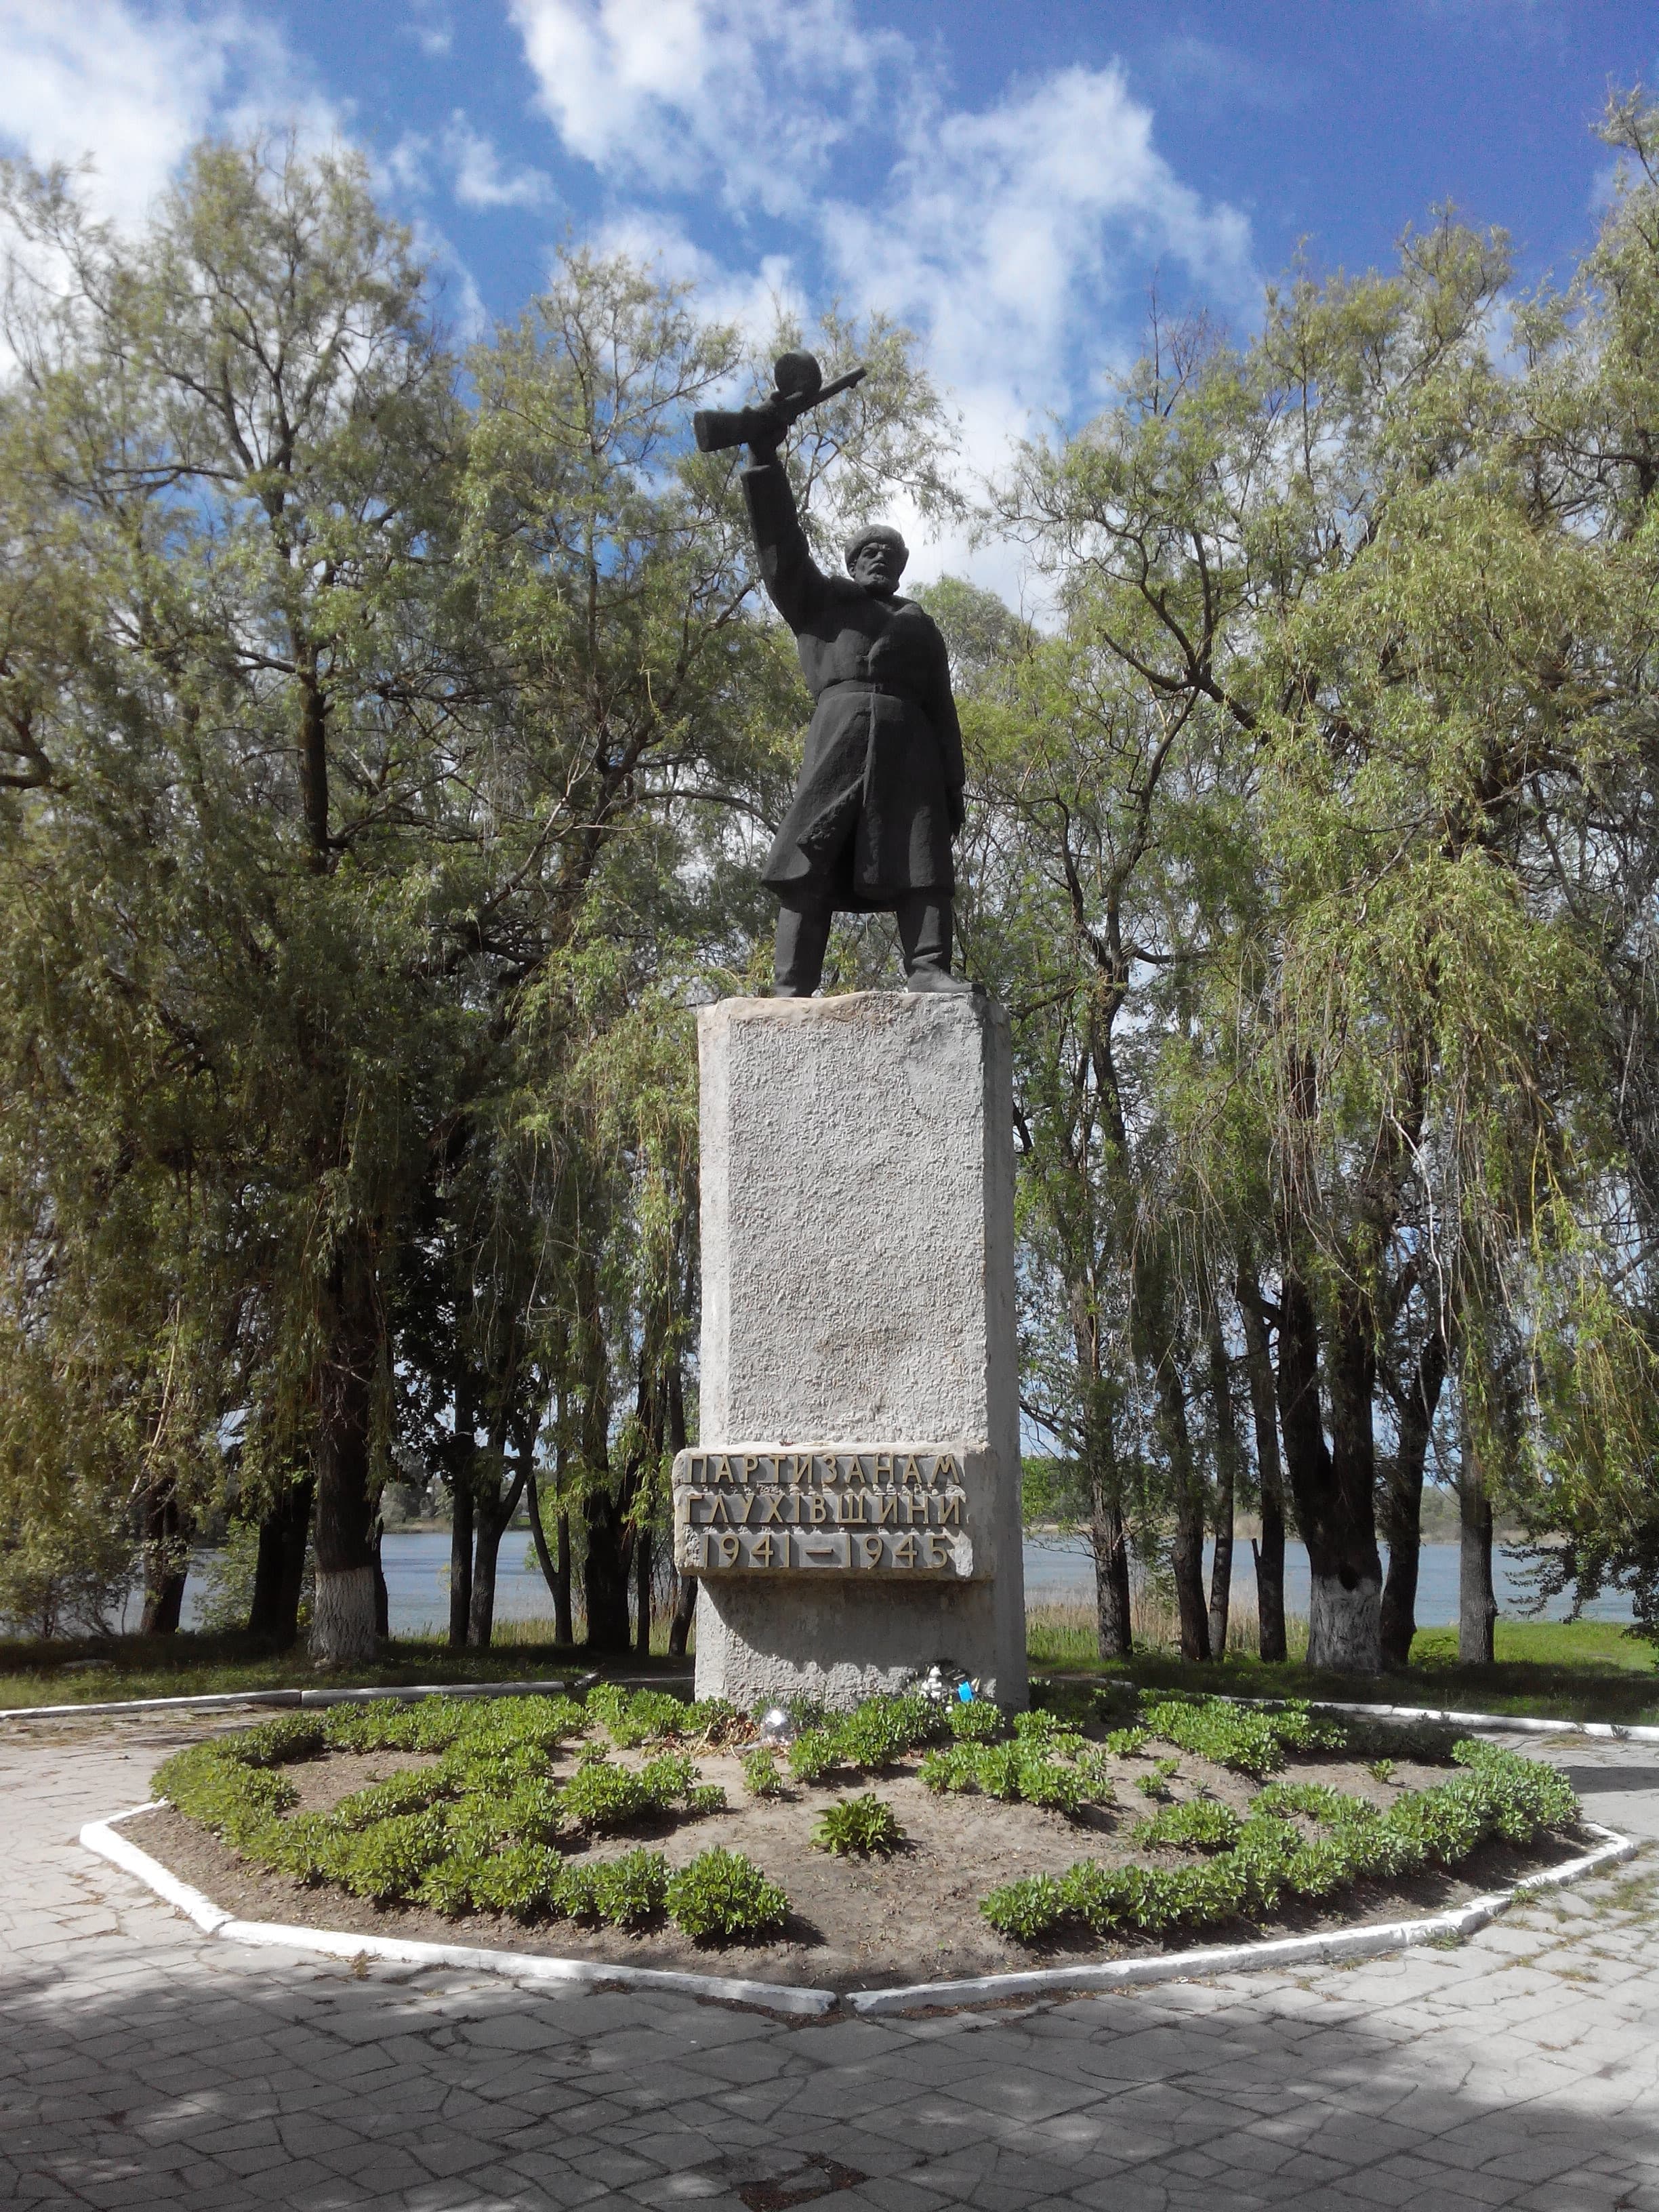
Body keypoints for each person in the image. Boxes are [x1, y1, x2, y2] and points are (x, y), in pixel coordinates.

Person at [741, 417, 972, 996]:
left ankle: (929, 968)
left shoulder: (921, 625)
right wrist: (764, 458)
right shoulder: (820, 603)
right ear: (851, 564)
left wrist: (952, 786)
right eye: (867, 552)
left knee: (924, 862)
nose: (878, 559)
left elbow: (944, 709)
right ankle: (792, 983)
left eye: (888, 554)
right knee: (807, 857)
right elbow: (781, 547)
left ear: (900, 568)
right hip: (837, 740)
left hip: (911, 750)